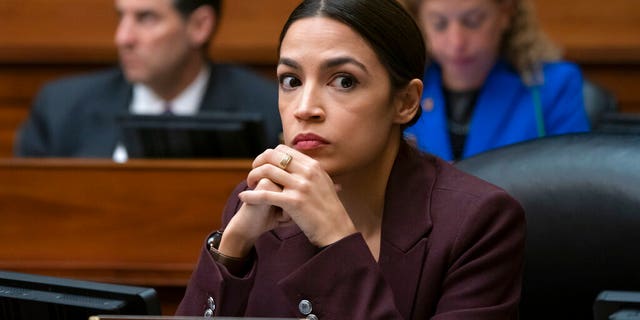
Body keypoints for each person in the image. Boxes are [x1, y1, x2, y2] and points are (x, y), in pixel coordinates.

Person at [176, 0, 525, 319]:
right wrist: (232, 249)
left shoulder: (478, 222)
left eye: (344, 81)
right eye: (291, 80)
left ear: (405, 101)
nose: (304, 108)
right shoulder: (256, 200)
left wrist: (337, 240)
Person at [14, 0, 281, 159]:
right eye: (122, 16)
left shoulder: (269, 110)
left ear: (200, 26)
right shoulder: (60, 109)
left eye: (146, 18)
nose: (123, 38)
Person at [402, 0, 590, 161]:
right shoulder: (403, 88)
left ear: (506, 13)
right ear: (419, 20)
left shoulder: (555, 85)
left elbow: (572, 182)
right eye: (439, 24)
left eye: (473, 22)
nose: (456, 43)